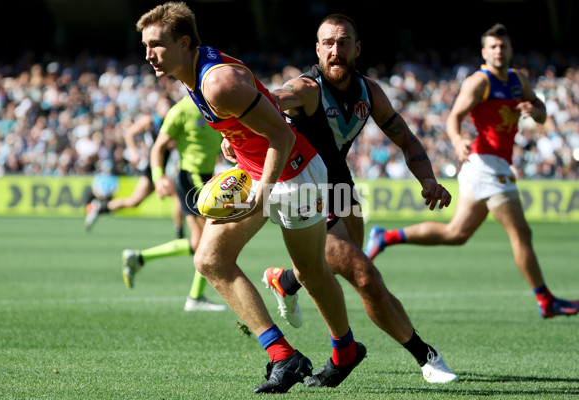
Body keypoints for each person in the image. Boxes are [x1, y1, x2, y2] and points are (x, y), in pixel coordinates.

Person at [136, 2, 366, 393]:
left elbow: (283, 136)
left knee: (310, 271)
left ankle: (345, 351)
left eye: (157, 45)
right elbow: (260, 110)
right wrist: (235, 139)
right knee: (209, 259)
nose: (148, 55)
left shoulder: (216, 82)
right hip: (259, 170)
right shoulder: (191, 74)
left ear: (184, 42)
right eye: (145, 45)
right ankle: (284, 356)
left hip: (295, 176)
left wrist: (262, 192)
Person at [241, 14, 458, 383]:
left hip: (341, 186)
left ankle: (286, 282)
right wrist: (238, 131)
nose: (335, 51)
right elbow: (268, 101)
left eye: (343, 43)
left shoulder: (369, 92)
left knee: (337, 266)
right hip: (307, 190)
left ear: (358, 48)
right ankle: (425, 357)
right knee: (364, 275)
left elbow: (406, 138)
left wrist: (428, 180)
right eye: (328, 43)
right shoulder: (308, 88)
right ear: (318, 49)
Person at [366, 23, 579, 319]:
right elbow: (454, 117)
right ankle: (546, 300)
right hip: (484, 163)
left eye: (503, 46)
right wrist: (457, 139)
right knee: (522, 233)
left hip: (493, 164)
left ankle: (385, 237)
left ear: (510, 50)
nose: (498, 51)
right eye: (493, 46)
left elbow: (540, 111)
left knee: (457, 233)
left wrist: (535, 110)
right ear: (484, 52)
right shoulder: (480, 81)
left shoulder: (519, 80)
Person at [121, 96, 226, 312]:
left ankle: (139, 258)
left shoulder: (217, 102)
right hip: (192, 177)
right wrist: (158, 177)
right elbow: (158, 147)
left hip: (204, 177)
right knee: (214, 237)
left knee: (199, 242)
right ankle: (195, 297)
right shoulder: (181, 110)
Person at [84, 94, 184, 238]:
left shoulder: (172, 122)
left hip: (163, 169)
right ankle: (179, 232)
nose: (166, 108)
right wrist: (134, 152)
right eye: (163, 104)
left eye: (168, 105)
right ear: (158, 105)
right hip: (154, 168)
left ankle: (99, 208)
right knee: (179, 197)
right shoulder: (150, 120)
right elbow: (129, 133)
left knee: (133, 202)